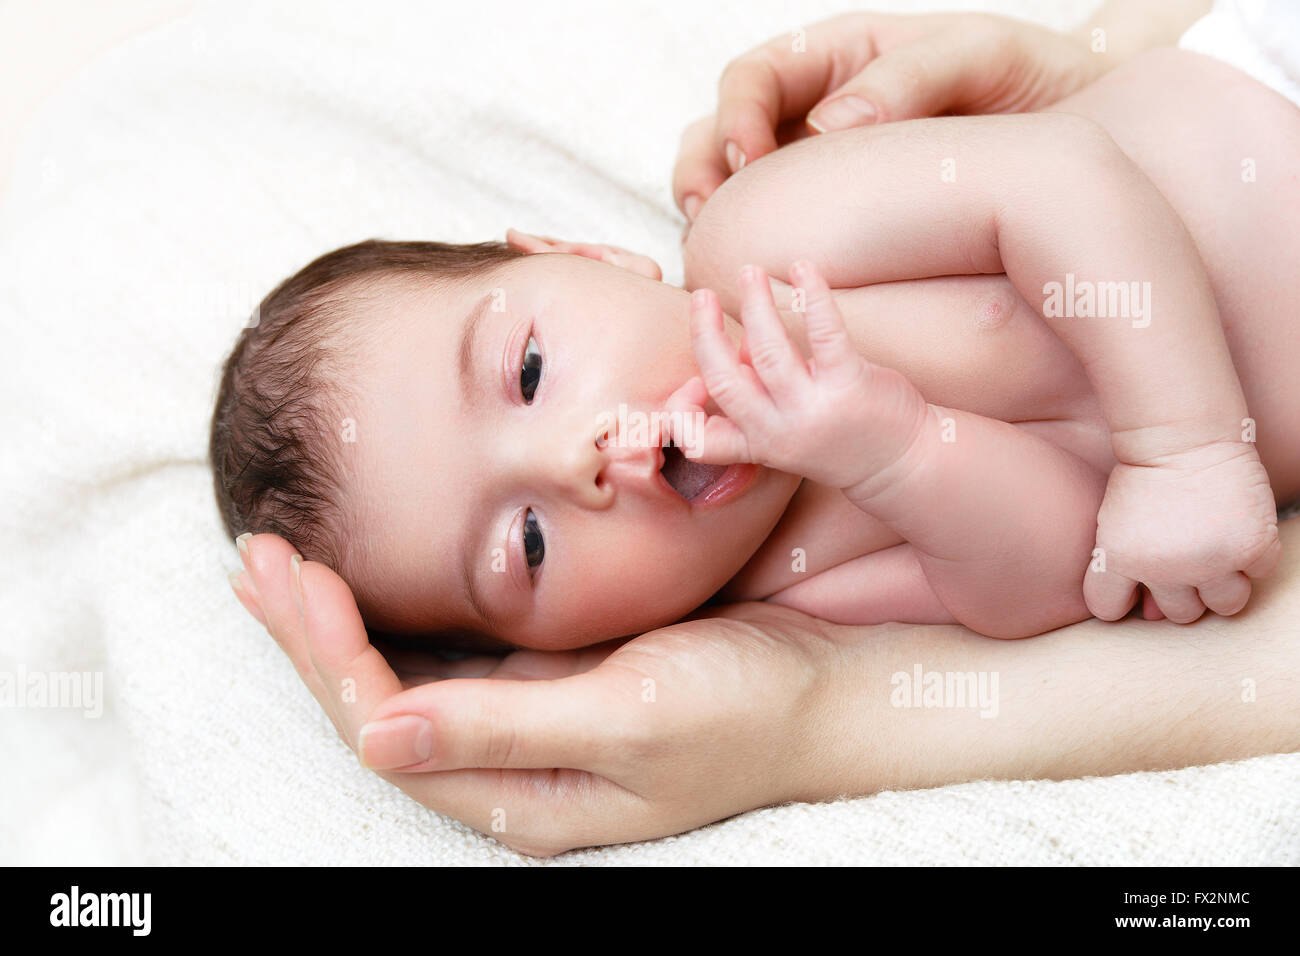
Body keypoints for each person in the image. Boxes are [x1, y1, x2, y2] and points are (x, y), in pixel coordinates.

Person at [226, 2, 1300, 854]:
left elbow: (1064, 177)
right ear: (570, 640)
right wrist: (899, 451)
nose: (576, 459)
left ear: (588, 256)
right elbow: (1071, 567)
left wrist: (1183, 443)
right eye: (528, 545)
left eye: (531, 370)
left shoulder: (765, 240)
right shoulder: (799, 589)